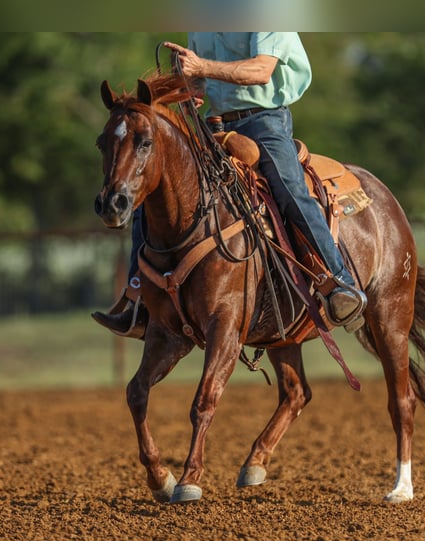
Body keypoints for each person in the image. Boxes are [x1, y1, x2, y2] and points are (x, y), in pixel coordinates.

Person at [93, 33, 366, 337]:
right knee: (153, 194)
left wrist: (202, 67)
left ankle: (340, 284)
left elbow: (261, 71)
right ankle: (138, 302)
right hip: (214, 126)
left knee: (289, 190)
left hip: (264, 122)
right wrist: (191, 88)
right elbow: (202, 80)